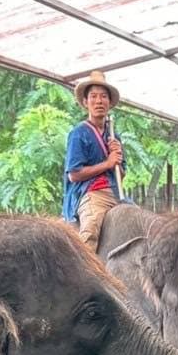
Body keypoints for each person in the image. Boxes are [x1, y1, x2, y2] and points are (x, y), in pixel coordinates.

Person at [62, 70, 125, 250]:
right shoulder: (78, 133)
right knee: (89, 234)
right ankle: (81, 274)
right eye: (94, 97)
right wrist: (108, 163)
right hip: (92, 194)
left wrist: (117, 160)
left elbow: (121, 175)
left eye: (103, 97)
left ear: (110, 103)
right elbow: (74, 174)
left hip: (115, 193)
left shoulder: (114, 136)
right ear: (85, 102)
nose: (99, 101)